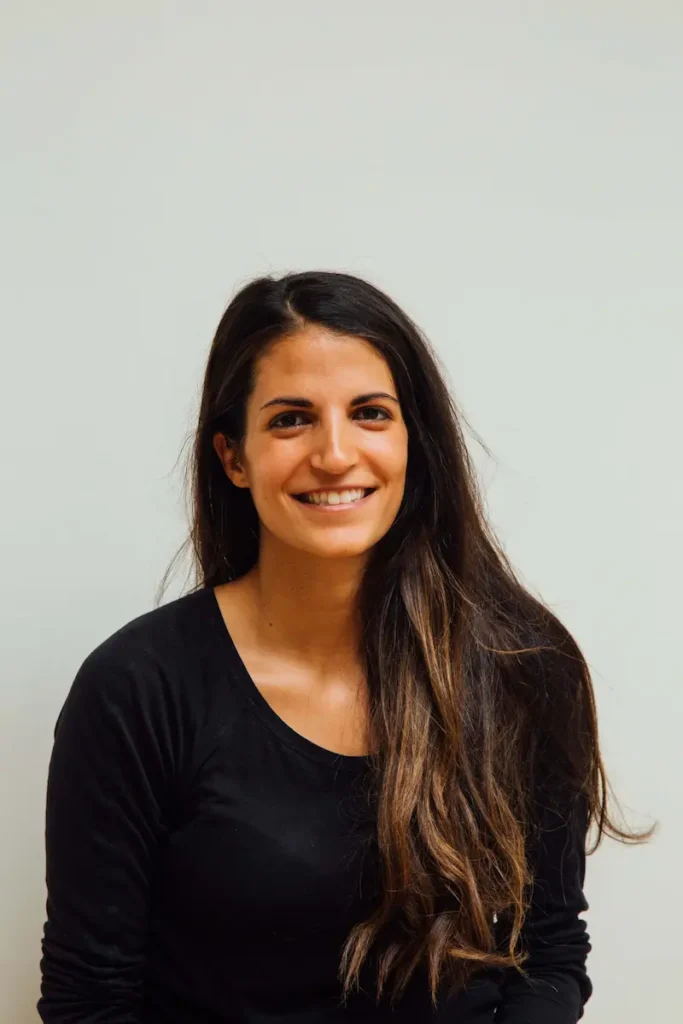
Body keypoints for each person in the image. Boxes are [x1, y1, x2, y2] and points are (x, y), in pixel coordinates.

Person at [37, 270, 648, 1023]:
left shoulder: (522, 666)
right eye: (291, 419)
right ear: (233, 457)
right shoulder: (137, 689)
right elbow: (89, 1002)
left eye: (369, 413)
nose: (333, 454)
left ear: (411, 443)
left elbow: (547, 954)